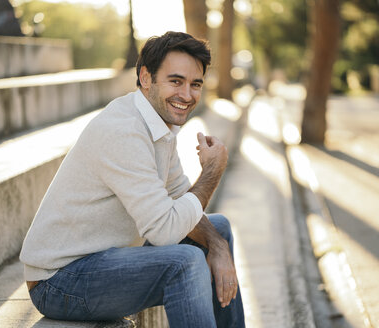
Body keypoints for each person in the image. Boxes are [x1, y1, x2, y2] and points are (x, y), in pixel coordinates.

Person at [19, 31, 245, 327]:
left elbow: (179, 196)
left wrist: (218, 247)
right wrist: (212, 171)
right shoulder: (123, 130)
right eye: (175, 81)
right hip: (60, 280)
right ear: (146, 77)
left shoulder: (157, 124)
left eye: (195, 84)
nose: (187, 95)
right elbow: (165, 231)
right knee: (185, 264)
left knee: (218, 229)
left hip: (107, 257)